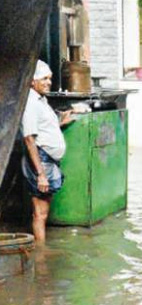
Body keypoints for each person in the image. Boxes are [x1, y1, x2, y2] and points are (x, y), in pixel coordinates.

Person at [21, 60, 73, 243]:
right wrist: (40, 174)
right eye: (44, 78)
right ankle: (41, 256)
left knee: (43, 211)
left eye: (49, 78)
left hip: (48, 160)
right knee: (40, 214)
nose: (49, 82)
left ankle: (40, 252)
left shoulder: (40, 100)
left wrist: (61, 122)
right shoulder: (30, 103)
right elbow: (29, 139)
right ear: (32, 81)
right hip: (41, 162)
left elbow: (41, 129)